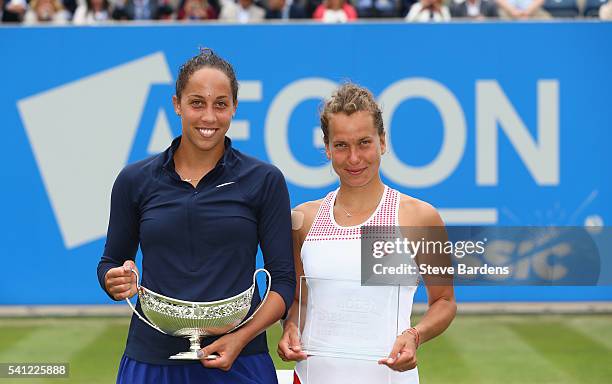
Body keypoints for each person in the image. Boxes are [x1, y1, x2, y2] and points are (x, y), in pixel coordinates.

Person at [97, 48, 295, 383]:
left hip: (240, 361)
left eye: (220, 103)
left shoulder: (264, 179)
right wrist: (115, 279)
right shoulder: (135, 180)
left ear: (234, 107)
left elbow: (283, 281)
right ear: (177, 104)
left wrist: (240, 338)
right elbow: (110, 261)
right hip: (152, 360)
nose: (209, 116)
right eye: (197, 102)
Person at [277, 83, 456, 383]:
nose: (354, 158)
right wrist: (290, 327)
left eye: (364, 143)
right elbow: (299, 301)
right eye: (341, 145)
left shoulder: (418, 217)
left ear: (382, 141)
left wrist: (415, 335)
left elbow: (444, 301)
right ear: (328, 148)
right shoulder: (303, 219)